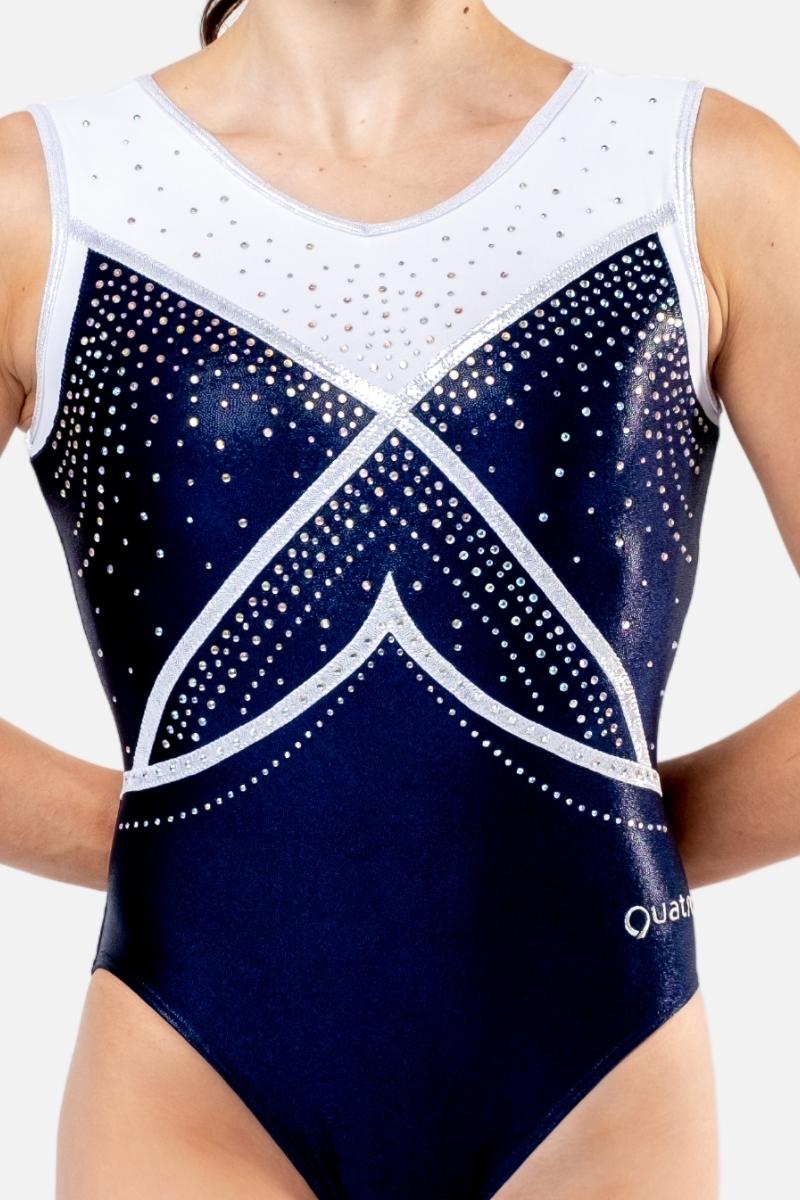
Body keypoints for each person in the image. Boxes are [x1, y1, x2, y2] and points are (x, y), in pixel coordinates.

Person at [1, 2, 798, 1198]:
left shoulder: (695, 173)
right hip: (191, 1072)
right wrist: (164, 835)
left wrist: (619, 830)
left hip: (597, 1072)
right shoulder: (44, 193)